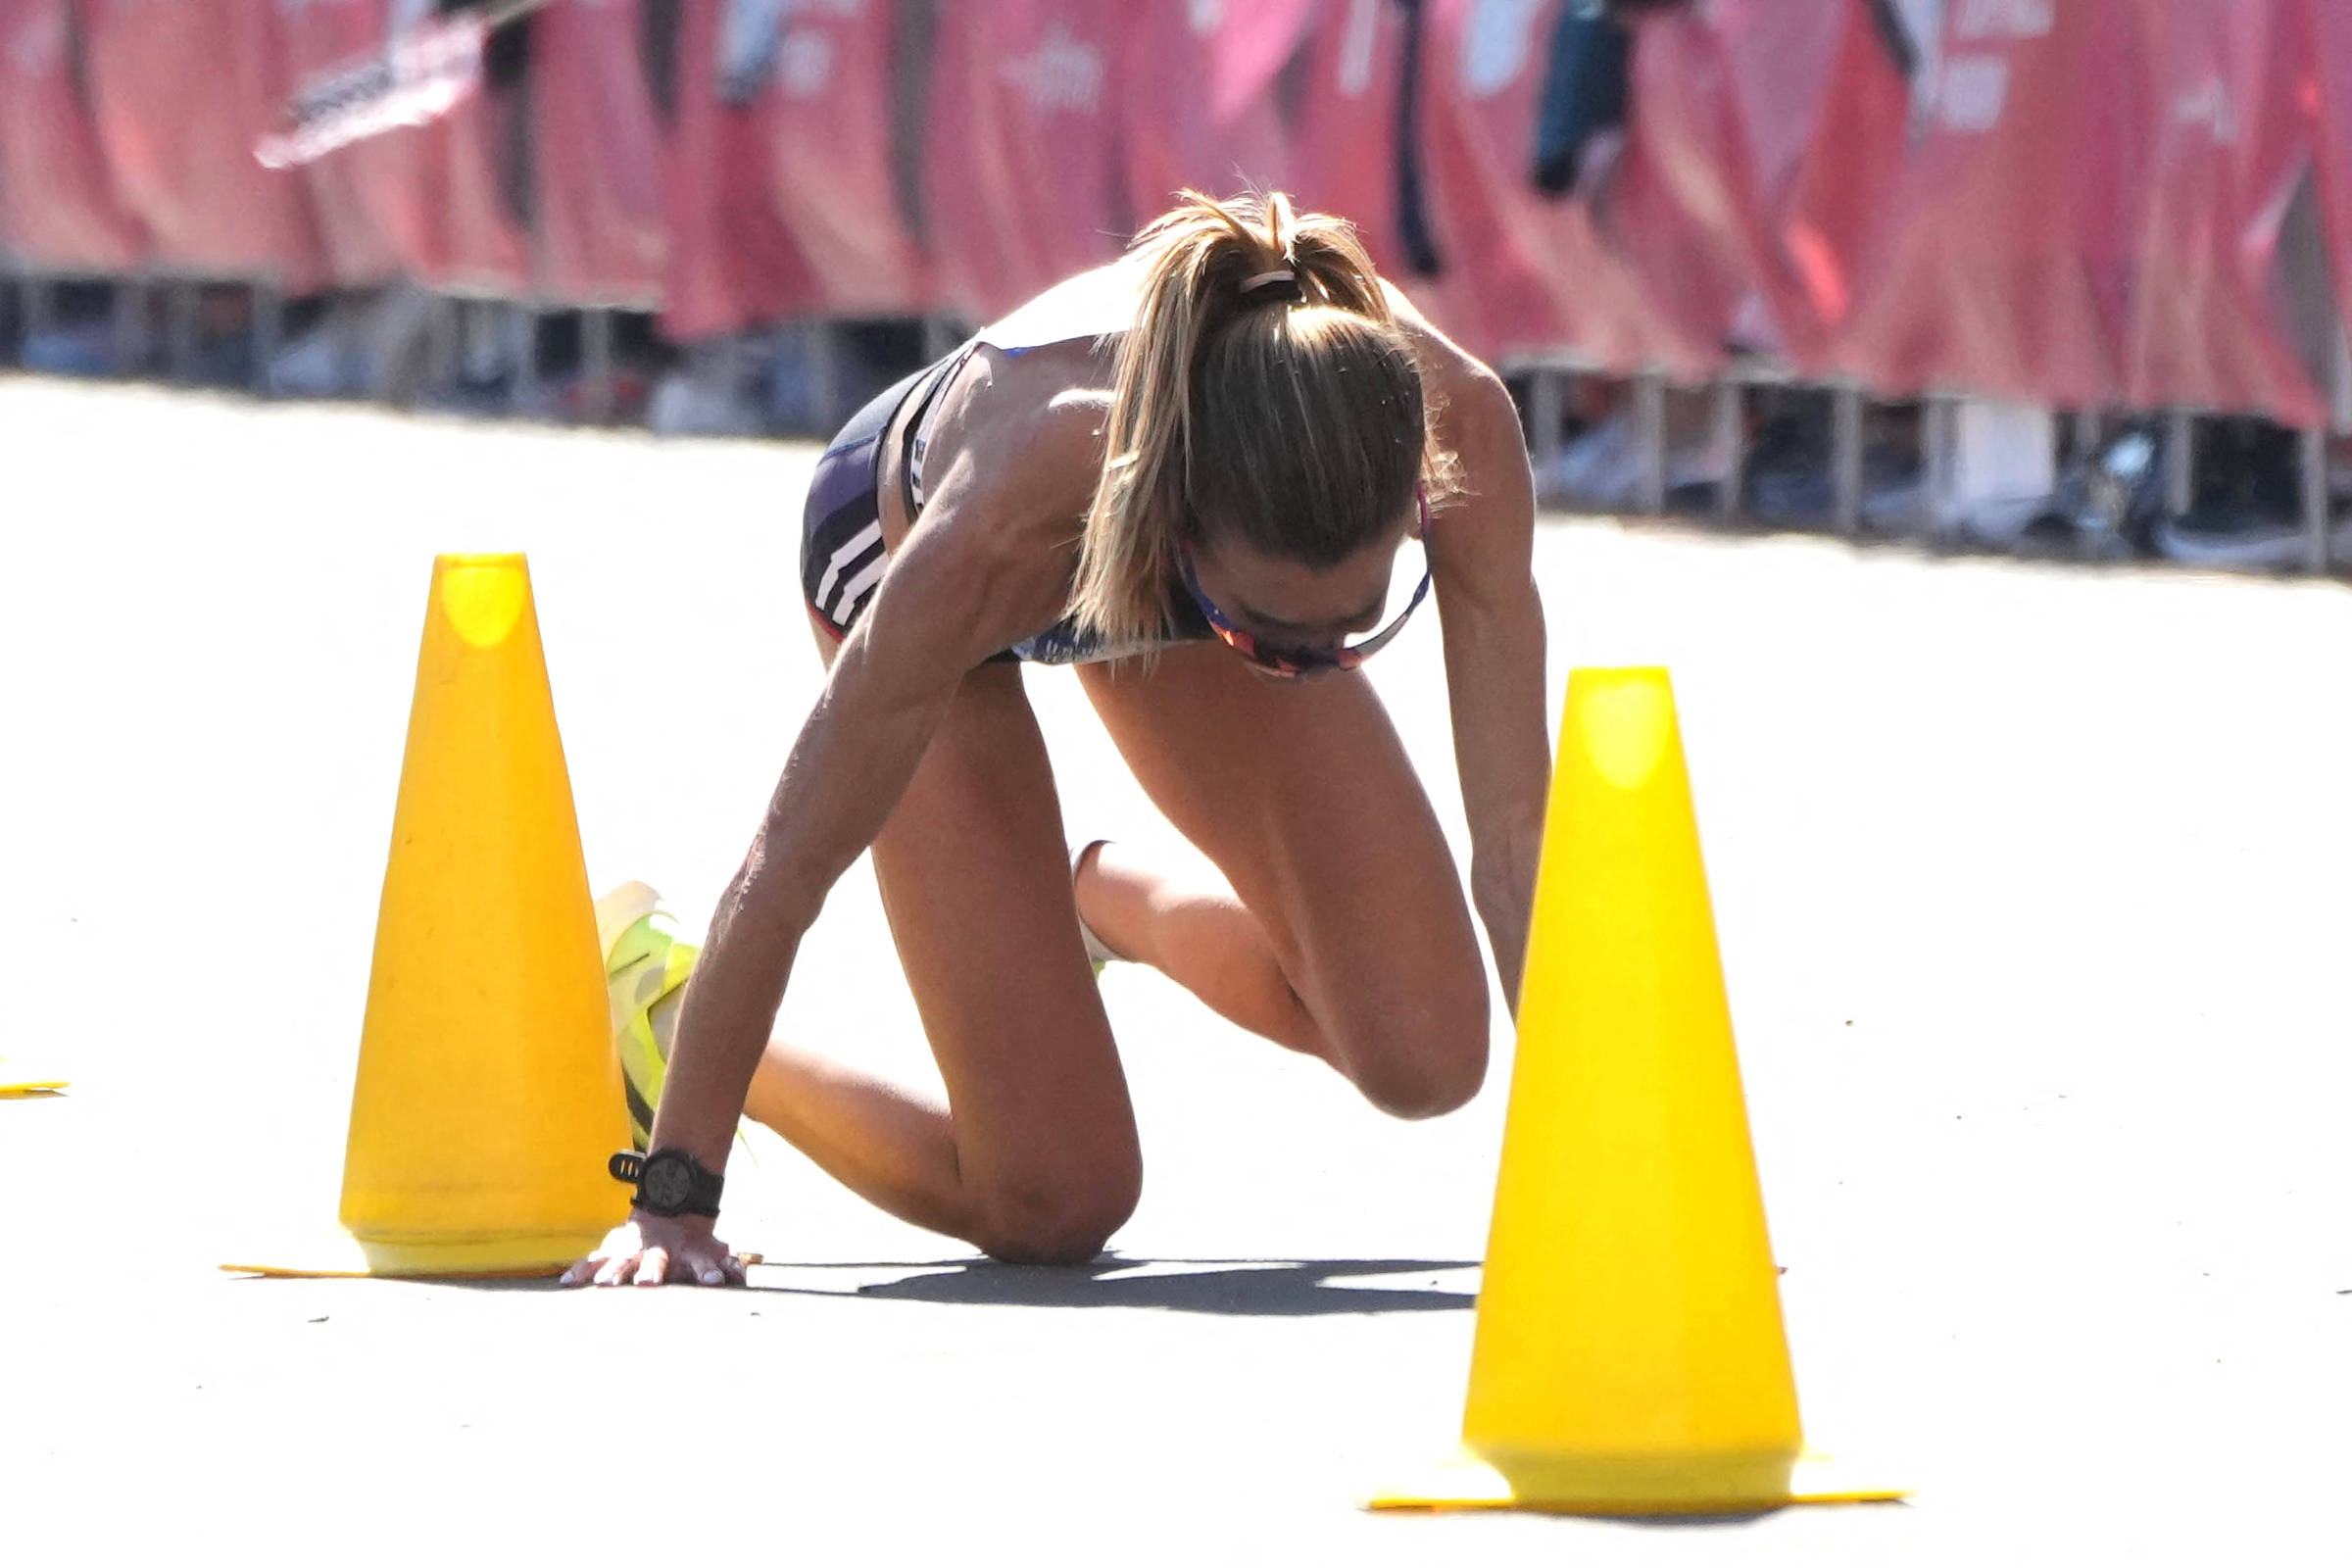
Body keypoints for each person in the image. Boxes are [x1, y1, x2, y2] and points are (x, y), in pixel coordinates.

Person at [563, 191, 1549, 1289]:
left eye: (1351, 630)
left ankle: (1098, 898)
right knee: (1052, 1201)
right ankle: (656, 998)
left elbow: (1516, 845)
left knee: (1428, 1055)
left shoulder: (1458, 423)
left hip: (1175, 556)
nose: (1309, 670)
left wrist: (1607, 1172)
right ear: (1178, 524)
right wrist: (673, 1201)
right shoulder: (1014, 510)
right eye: (1272, 639)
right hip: (908, 550)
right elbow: (790, 860)